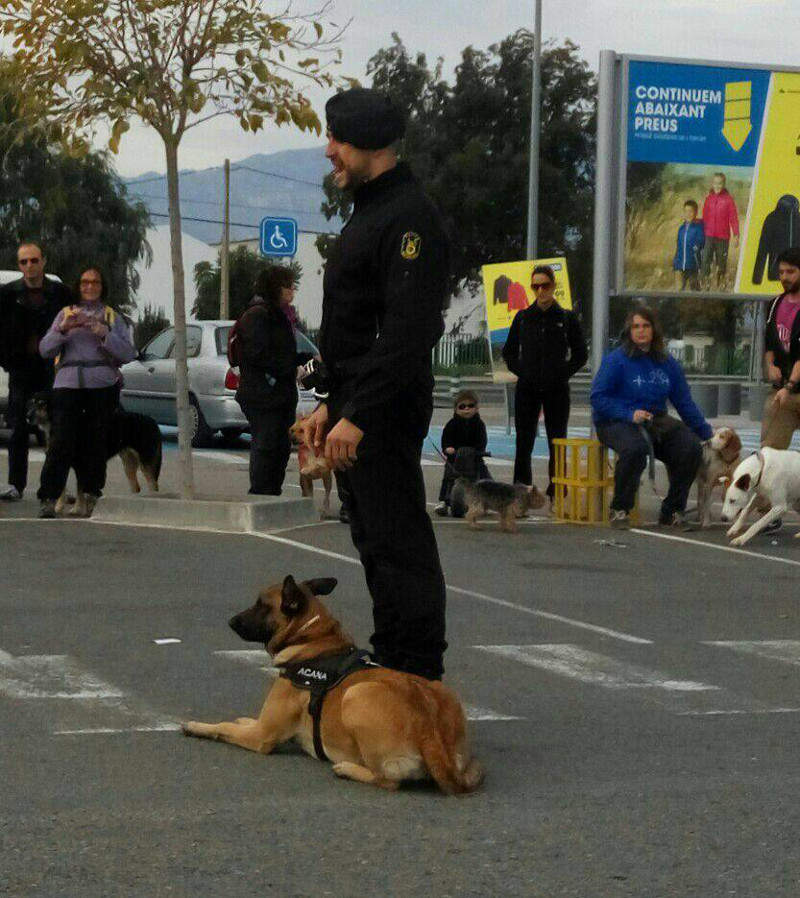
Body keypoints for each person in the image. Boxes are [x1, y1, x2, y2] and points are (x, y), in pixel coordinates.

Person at [301, 87, 450, 681]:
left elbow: (409, 331)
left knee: (398, 541)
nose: (329, 149)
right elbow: (354, 328)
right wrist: (327, 402)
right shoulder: (371, 211)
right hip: (357, 406)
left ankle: (414, 673)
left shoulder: (409, 218)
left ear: (366, 141)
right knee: (373, 541)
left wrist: (358, 413)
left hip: (383, 409)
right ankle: (392, 658)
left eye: (337, 137)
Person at [591, 303, 712, 530]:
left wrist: (708, 435)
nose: (641, 331)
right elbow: (598, 398)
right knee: (635, 449)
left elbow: (684, 403)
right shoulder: (616, 360)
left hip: (656, 419)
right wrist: (628, 414)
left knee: (690, 447)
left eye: (645, 325)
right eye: (635, 326)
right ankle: (620, 509)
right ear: (629, 331)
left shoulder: (667, 363)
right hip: (615, 421)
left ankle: (672, 510)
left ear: (654, 330)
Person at [37, 266, 136, 518]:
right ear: (78, 286)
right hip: (68, 385)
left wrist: (103, 333)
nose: (89, 287)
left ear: (102, 287)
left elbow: (127, 353)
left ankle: (90, 493)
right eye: (84, 282)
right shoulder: (65, 314)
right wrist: (63, 330)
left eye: (95, 282)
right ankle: (49, 496)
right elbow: (45, 349)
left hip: (101, 386)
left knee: (95, 442)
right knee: (60, 442)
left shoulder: (112, 316)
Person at [501, 264, 588, 504]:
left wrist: (562, 373)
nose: (541, 291)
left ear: (553, 286)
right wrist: (523, 372)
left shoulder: (567, 318)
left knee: (556, 441)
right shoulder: (523, 317)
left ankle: (557, 492)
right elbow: (508, 353)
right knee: (523, 442)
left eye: (545, 285)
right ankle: (521, 494)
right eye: (535, 286)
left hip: (556, 390)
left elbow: (581, 354)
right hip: (527, 389)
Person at [0, 242, 71, 501]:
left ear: (43, 261)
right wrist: (7, 360)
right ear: (19, 265)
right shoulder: (7, 294)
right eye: (24, 262)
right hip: (20, 371)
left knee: (58, 430)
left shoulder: (61, 294)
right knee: (18, 428)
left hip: (53, 371)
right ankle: (15, 484)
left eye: (34, 260)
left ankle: (54, 488)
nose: (29, 266)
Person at [235, 265, 311, 495]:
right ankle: (260, 494)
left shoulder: (283, 315)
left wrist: (307, 359)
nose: (292, 290)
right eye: (288, 286)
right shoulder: (258, 315)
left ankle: (272, 493)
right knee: (266, 446)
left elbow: (285, 350)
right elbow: (258, 354)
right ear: (275, 288)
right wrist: (291, 369)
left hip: (281, 395)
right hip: (262, 394)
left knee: (280, 447)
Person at [434, 389, 489, 516]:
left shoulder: (479, 425)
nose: (466, 409)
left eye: (470, 406)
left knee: (483, 476)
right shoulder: (451, 424)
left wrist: (479, 450)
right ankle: (443, 500)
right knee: (448, 476)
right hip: (455, 458)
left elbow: (482, 441)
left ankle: (484, 500)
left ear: (476, 408)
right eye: (462, 406)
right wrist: (448, 448)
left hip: (474, 457)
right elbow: (446, 440)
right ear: (456, 409)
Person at [701, 173, 739, 289]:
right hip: (709, 235)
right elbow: (705, 216)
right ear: (712, 184)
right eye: (715, 183)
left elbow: (733, 218)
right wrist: (702, 232)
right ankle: (705, 282)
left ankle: (720, 283)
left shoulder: (728, 200)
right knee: (706, 258)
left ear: (723, 184)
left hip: (723, 237)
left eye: (720, 183)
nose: (717, 186)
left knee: (721, 261)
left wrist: (736, 234)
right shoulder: (709, 199)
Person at [673, 200, 704, 291]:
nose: (688, 214)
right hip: (679, 265)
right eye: (686, 211)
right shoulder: (681, 229)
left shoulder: (698, 227)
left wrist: (697, 246)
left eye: (691, 211)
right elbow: (678, 247)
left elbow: (701, 240)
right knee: (678, 290)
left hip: (692, 265)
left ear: (695, 212)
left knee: (694, 289)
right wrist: (675, 262)